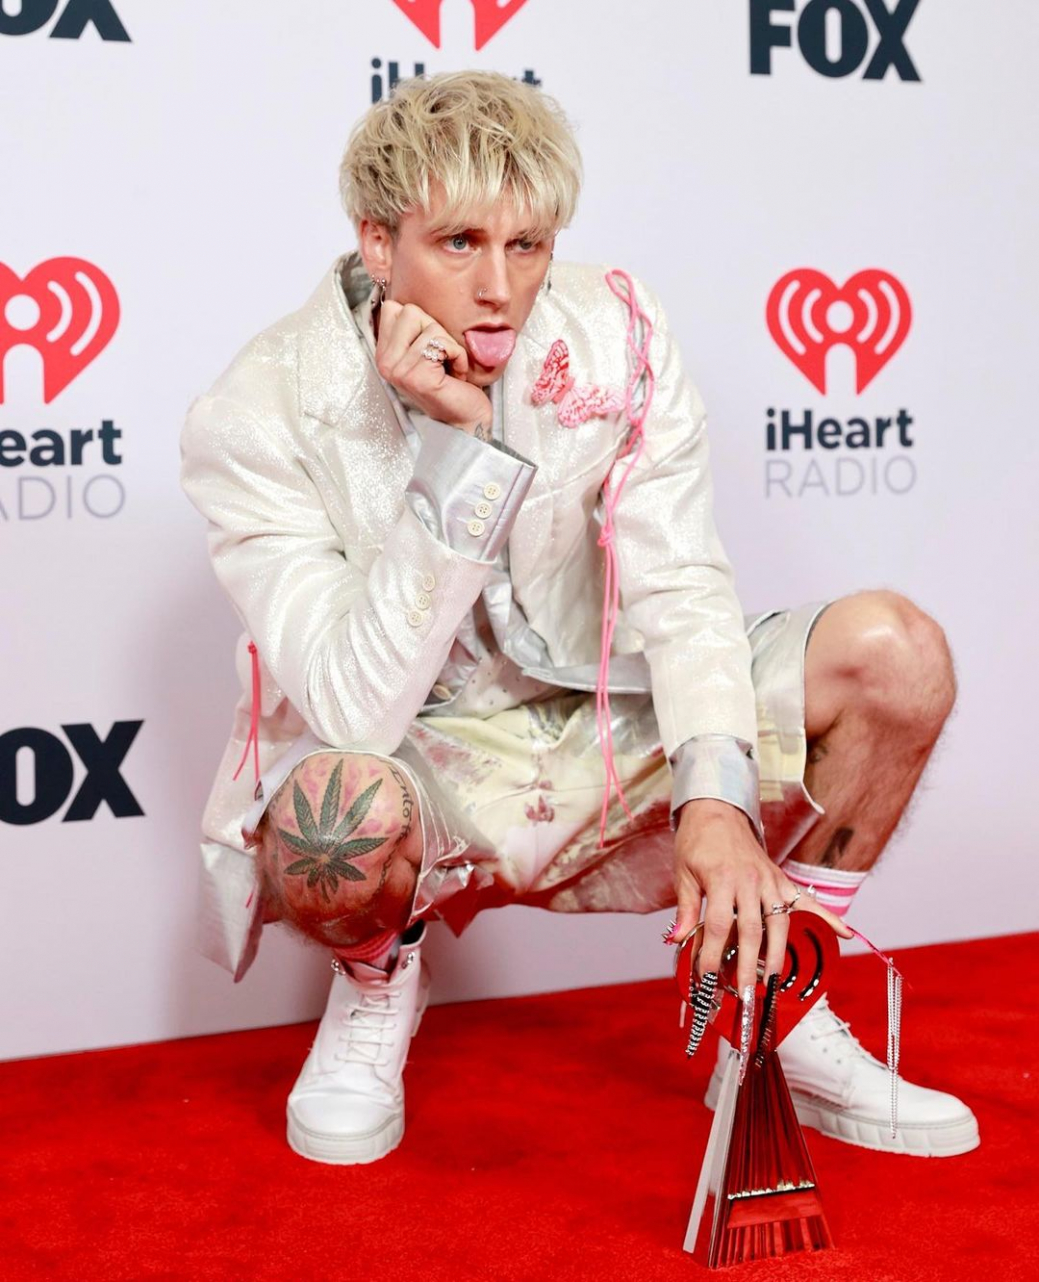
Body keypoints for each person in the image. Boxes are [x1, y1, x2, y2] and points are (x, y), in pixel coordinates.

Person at [179, 70, 978, 1166]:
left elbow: (680, 578)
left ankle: (770, 991)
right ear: (376, 242)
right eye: (458, 243)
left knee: (897, 655)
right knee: (334, 815)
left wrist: (715, 795)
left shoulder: (617, 331)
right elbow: (354, 709)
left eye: (528, 246)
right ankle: (375, 984)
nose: (499, 288)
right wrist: (460, 450)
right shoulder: (258, 409)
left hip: (601, 718)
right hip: (417, 755)